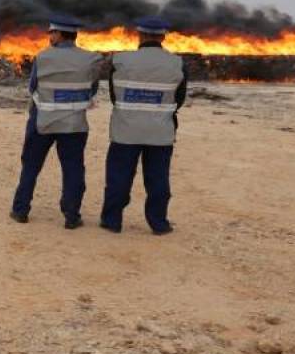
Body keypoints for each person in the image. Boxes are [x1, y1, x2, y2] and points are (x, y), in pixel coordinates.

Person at [10, 15, 105, 229]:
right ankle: (72, 216)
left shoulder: (42, 58)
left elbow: (32, 87)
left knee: (31, 166)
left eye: (51, 32)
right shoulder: (92, 59)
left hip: (42, 121)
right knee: (73, 168)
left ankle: (20, 210)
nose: (49, 36)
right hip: (74, 124)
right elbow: (92, 89)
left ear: (60, 34)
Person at [100, 16, 188, 235]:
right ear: (163, 37)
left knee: (118, 178)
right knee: (158, 179)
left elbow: (114, 96)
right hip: (160, 132)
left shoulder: (120, 60)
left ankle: (112, 221)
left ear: (139, 35)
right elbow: (180, 98)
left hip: (125, 131)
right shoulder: (177, 63)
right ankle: (158, 223)